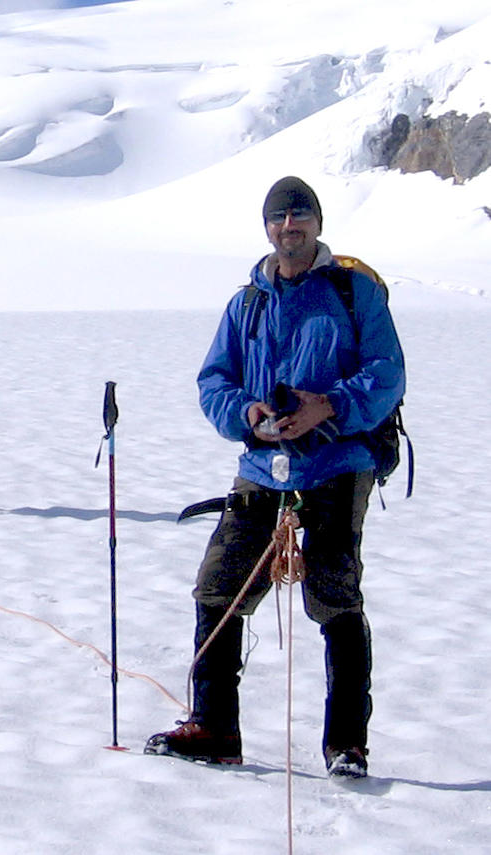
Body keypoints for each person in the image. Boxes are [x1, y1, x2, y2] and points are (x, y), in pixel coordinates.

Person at [145, 176, 406, 779]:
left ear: (317, 223)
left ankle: (347, 744)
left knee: (334, 596)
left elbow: (386, 373)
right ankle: (214, 727)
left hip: (339, 465)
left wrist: (330, 407)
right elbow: (214, 381)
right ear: (267, 228)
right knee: (220, 587)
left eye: (301, 215)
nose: (291, 226)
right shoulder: (247, 302)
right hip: (262, 468)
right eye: (280, 217)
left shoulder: (353, 291)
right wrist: (249, 415)